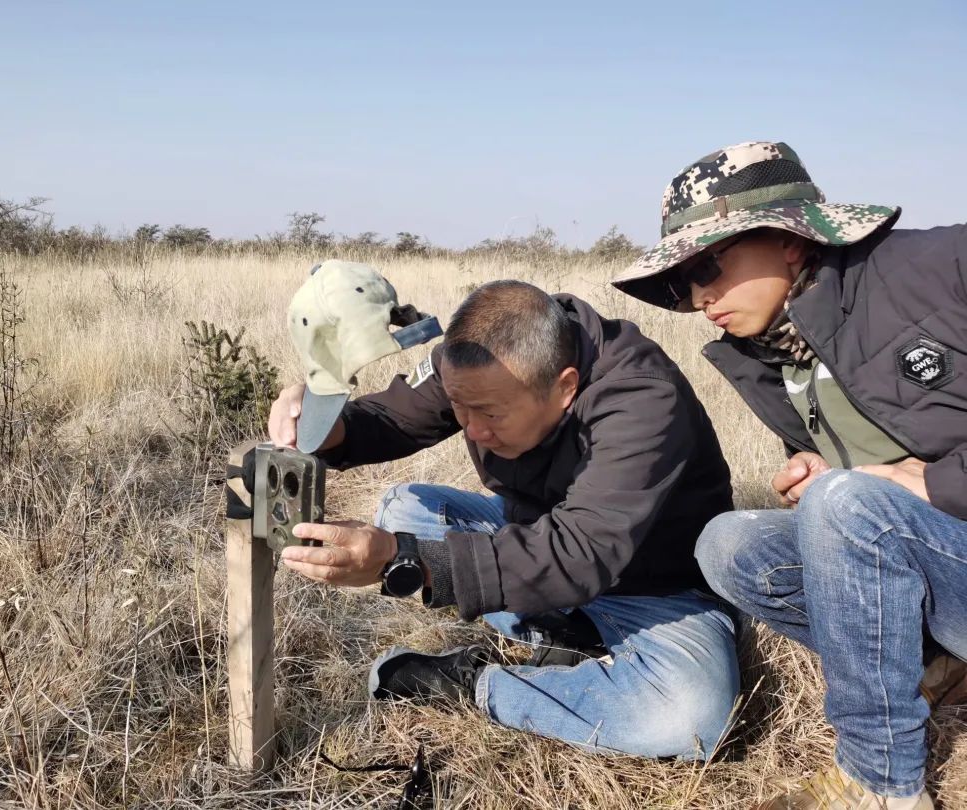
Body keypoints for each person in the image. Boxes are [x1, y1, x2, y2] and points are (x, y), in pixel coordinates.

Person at [612, 140, 967, 809]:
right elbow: (877, 483)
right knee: (729, 544)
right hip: (941, 574)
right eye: (683, 283)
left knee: (845, 502)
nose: (701, 296)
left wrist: (932, 485)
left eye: (709, 265)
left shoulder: (943, 265)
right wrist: (828, 471)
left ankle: (880, 783)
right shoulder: (776, 352)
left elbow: (894, 491)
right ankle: (932, 667)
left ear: (790, 240)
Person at [268, 260, 740, 760]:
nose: (472, 429)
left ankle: (472, 683)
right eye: (459, 407)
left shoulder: (641, 397)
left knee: (690, 717)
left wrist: (403, 560)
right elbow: (389, 418)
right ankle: (563, 634)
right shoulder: (478, 362)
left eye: (491, 413)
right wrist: (323, 422)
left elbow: (582, 550)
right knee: (403, 509)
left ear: (565, 387)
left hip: (653, 586)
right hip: (538, 540)